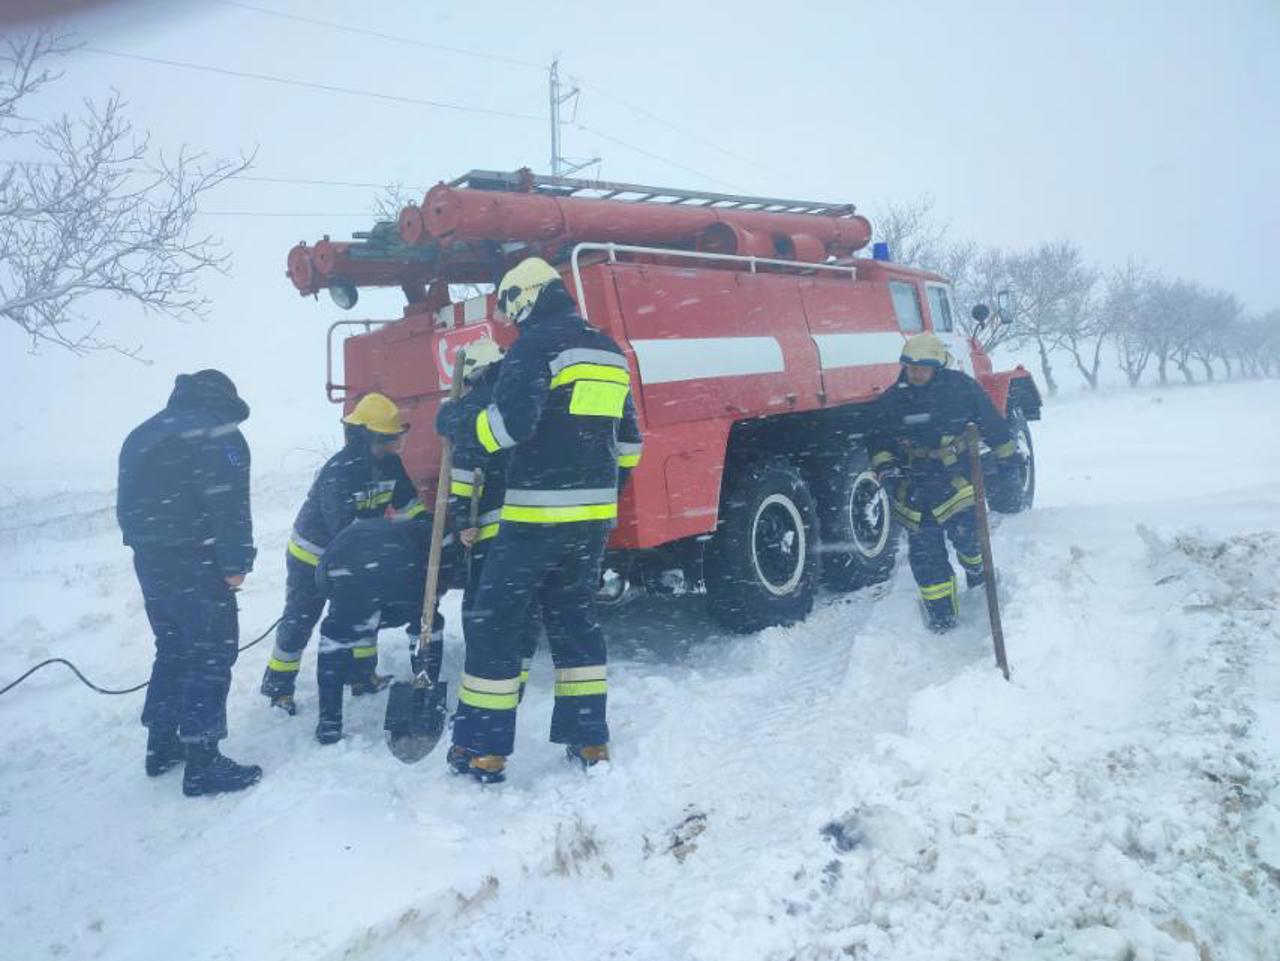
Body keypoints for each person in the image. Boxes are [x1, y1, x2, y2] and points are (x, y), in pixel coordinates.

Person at [436, 257, 643, 783]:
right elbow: (628, 446)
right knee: (575, 622)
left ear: (526, 295)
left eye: (508, 303)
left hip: (533, 518)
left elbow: (509, 428)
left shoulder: (535, 346)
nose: (508, 317)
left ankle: (483, 750)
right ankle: (589, 740)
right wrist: (598, 494)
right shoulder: (609, 351)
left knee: (495, 623)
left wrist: (462, 422)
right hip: (591, 522)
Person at [117, 369, 262, 797]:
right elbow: (230, 504)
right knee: (211, 653)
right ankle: (203, 761)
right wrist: (235, 563)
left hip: (150, 560)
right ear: (223, 402)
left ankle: (161, 744)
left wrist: (149, 547)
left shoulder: (141, 434)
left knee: (174, 646)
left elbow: (126, 505)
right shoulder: (219, 434)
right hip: (196, 560)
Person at [260, 393, 425, 715]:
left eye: (398, 440)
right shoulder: (339, 472)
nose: (395, 447)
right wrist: (383, 546)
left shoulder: (389, 464)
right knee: (301, 618)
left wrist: (424, 525)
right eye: (389, 440)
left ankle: (362, 677)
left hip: (359, 554)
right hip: (314, 556)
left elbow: (408, 503)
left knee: (363, 613)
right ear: (368, 438)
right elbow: (342, 528)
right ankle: (278, 686)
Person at [867, 333, 1023, 632]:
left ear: (937, 366)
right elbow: (877, 438)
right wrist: (885, 465)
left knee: (968, 540)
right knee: (925, 556)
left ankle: (978, 572)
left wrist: (1008, 459)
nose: (915, 373)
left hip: (957, 482)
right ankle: (942, 616)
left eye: (922, 368)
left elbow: (991, 423)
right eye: (910, 367)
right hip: (914, 488)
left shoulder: (961, 388)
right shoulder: (892, 399)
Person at [445, 337, 541, 701]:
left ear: (471, 376)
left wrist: (461, 519)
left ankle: (484, 680)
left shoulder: (471, 408)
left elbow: (467, 471)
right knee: (526, 602)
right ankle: (519, 677)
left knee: (480, 606)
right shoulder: (520, 399)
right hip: (537, 521)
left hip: (494, 524)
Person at [311, 514, 448, 744]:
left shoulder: (360, 531)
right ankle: (424, 696)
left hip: (343, 565)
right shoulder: (431, 532)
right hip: (399, 566)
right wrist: (429, 600)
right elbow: (440, 577)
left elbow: (324, 583)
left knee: (335, 639)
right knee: (427, 621)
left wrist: (348, 612)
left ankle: (329, 723)